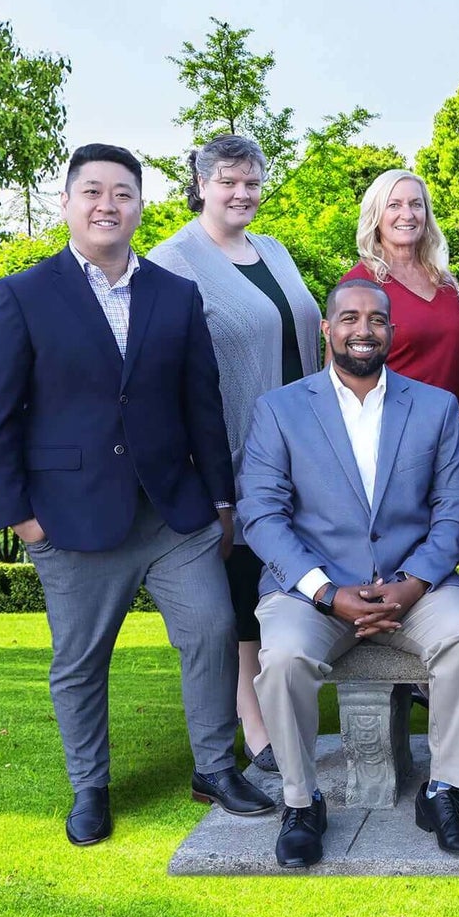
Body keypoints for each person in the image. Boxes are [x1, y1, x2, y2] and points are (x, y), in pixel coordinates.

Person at [0, 143, 274, 846]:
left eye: (123, 193)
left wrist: (220, 501)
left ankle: (213, 767)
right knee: (80, 660)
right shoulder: (23, 295)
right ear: (68, 203)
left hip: (175, 513)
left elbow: (203, 402)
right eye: (93, 192)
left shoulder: (175, 292)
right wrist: (21, 518)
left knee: (210, 631)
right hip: (70, 519)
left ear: (141, 204)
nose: (108, 205)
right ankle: (90, 787)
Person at [238, 280, 459, 869]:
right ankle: (302, 803)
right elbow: (262, 514)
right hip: (311, 591)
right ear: (326, 330)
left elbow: (455, 511)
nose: (363, 329)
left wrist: (414, 584)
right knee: (282, 660)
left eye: (377, 320)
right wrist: (324, 591)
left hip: (414, 584)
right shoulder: (279, 409)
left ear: (391, 334)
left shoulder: (432, 407)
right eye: (349, 318)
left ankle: (446, 792)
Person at [147, 134, 323, 776]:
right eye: (227, 181)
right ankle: (252, 720)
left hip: (296, 447)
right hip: (226, 448)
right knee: (239, 583)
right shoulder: (171, 261)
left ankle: (282, 696)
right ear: (200, 184)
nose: (241, 193)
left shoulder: (273, 251)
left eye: (251, 181)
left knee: (281, 577)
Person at [341, 167, 459, 444]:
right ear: (376, 216)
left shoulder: (444, 282)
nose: (407, 214)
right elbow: (340, 374)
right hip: (387, 439)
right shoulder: (359, 285)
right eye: (394, 205)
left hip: (448, 436)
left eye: (416, 204)